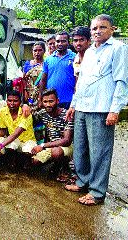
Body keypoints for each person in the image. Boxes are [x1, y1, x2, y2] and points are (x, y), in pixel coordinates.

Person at [65, 14, 128, 206]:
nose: (97, 31)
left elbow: (121, 81)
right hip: (83, 106)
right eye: (94, 28)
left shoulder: (118, 48)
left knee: (99, 152)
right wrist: (73, 104)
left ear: (112, 29)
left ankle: (97, 192)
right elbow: (82, 81)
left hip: (101, 108)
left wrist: (115, 110)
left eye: (102, 27)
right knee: (81, 149)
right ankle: (82, 181)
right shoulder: (90, 51)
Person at [31, 89, 73, 180]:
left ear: (57, 101)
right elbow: (30, 118)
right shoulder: (43, 113)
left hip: (66, 147)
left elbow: (67, 140)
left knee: (56, 152)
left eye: (51, 101)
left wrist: (42, 145)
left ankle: (63, 168)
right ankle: (54, 163)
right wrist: (26, 107)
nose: (48, 104)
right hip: (50, 145)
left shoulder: (66, 115)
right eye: (45, 102)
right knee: (34, 162)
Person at [0, 90, 36, 164]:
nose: (12, 103)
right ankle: (10, 164)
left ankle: (25, 165)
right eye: (10, 100)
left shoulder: (26, 113)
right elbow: (3, 130)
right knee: (6, 143)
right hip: (14, 140)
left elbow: (17, 133)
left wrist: (0, 146)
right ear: (6, 101)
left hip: (27, 141)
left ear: (20, 102)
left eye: (15, 101)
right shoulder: (3, 111)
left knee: (27, 151)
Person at [39, 31, 76, 109]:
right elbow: (43, 81)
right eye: (58, 41)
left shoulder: (75, 57)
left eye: (63, 41)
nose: (60, 44)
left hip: (69, 101)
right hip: (51, 101)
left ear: (69, 42)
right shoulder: (48, 60)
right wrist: (40, 98)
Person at [23, 41, 45, 107]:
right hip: (29, 94)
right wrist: (25, 92)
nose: (37, 53)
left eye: (40, 50)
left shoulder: (46, 64)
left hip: (42, 94)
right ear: (32, 52)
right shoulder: (27, 64)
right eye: (35, 50)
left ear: (44, 51)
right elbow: (24, 79)